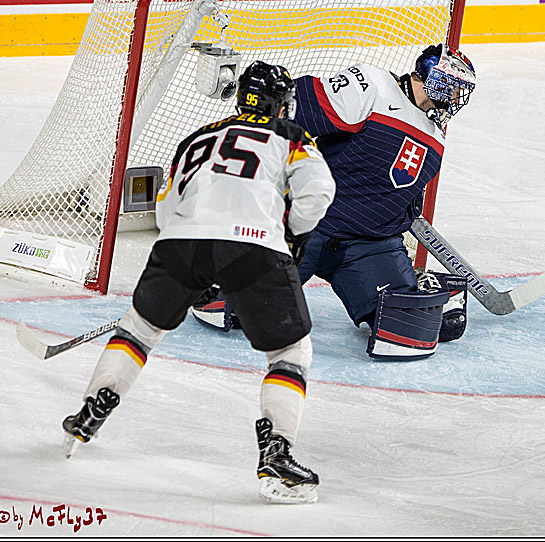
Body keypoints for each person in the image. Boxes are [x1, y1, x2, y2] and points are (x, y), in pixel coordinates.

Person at [62, 61, 336, 505]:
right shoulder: (291, 137)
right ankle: (277, 453)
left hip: (178, 243)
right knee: (289, 351)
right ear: (281, 105)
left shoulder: (197, 137)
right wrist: (287, 236)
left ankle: (91, 411)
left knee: (139, 329)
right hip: (254, 246)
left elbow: (166, 206)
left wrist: (201, 271)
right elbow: (318, 194)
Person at [193, 45, 475, 361]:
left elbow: (401, 202)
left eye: (459, 92)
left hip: (366, 246)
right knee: (225, 305)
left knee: (409, 329)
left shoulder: (435, 140)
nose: (453, 98)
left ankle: (410, 285)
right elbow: (301, 108)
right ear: (428, 76)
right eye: (450, 87)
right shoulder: (372, 86)